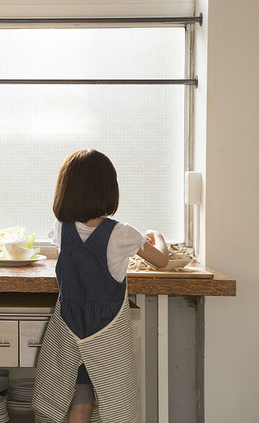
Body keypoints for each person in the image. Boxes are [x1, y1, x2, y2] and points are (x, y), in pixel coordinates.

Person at [32, 149, 170, 423]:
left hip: (71, 329)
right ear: (109, 189)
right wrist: (156, 235)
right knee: (112, 405)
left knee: (78, 404)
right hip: (106, 335)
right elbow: (162, 261)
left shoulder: (61, 227)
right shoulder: (122, 234)